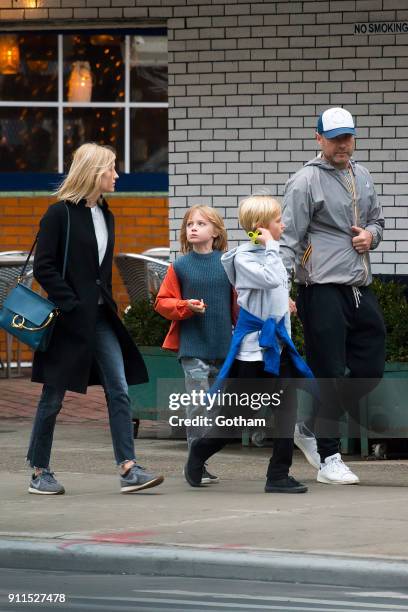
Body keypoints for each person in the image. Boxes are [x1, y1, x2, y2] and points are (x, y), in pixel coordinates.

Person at [27, 143, 164, 495]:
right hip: (67, 319)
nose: (117, 175)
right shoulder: (59, 214)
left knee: (118, 388)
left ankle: (128, 468)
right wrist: (71, 304)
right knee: (53, 398)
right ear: (93, 172)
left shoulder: (106, 213)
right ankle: (39, 471)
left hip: (101, 317)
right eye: (111, 169)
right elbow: (44, 266)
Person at [281, 107, 386, 485]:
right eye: (335, 137)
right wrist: (280, 288)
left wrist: (370, 236)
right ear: (319, 139)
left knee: (369, 368)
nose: (343, 144)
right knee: (329, 372)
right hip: (320, 286)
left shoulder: (363, 175)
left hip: (358, 286)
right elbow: (288, 239)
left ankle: (308, 428)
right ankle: (329, 457)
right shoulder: (304, 181)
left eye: (348, 137)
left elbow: (378, 220)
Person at [184, 194, 314, 494]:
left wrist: (285, 303)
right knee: (238, 418)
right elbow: (268, 278)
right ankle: (200, 452)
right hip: (253, 353)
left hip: (278, 347)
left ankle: (278, 475)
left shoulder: (271, 252)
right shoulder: (244, 257)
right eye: (278, 221)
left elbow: (276, 287)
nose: (283, 225)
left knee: (286, 411)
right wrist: (270, 246)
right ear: (261, 226)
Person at [155, 205, 236, 484]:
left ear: (216, 231)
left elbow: (240, 303)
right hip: (193, 349)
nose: (193, 228)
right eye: (190, 223)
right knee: (198, 406)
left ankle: (199, 461)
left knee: (215, 411)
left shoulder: (228, 263)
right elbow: (162, 302)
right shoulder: (180, 266)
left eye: (201, 223)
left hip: (223, 349)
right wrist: (185, 306)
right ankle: (194, 464)